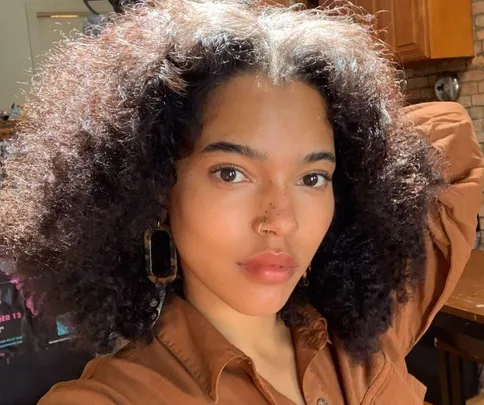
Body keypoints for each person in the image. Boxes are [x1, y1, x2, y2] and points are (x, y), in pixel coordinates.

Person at [0, 1, 482, 404]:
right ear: (152, 188)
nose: (281, 219)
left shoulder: (364, 334)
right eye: (232, 173)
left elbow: (451, 131)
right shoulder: (116, 397)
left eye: (312, 177)